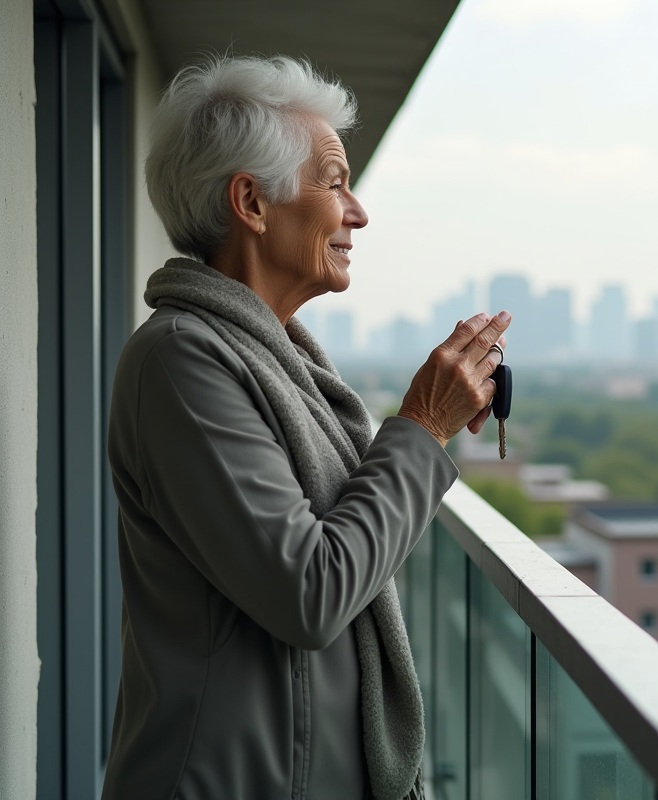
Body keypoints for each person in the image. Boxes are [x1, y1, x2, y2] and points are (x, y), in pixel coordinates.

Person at [102, 55, 508, 800]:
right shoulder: (181, 363)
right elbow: (311, 591)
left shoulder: (277, 361)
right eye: (334, 181)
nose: (357, 211)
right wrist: (420, 428)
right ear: (251, 202)